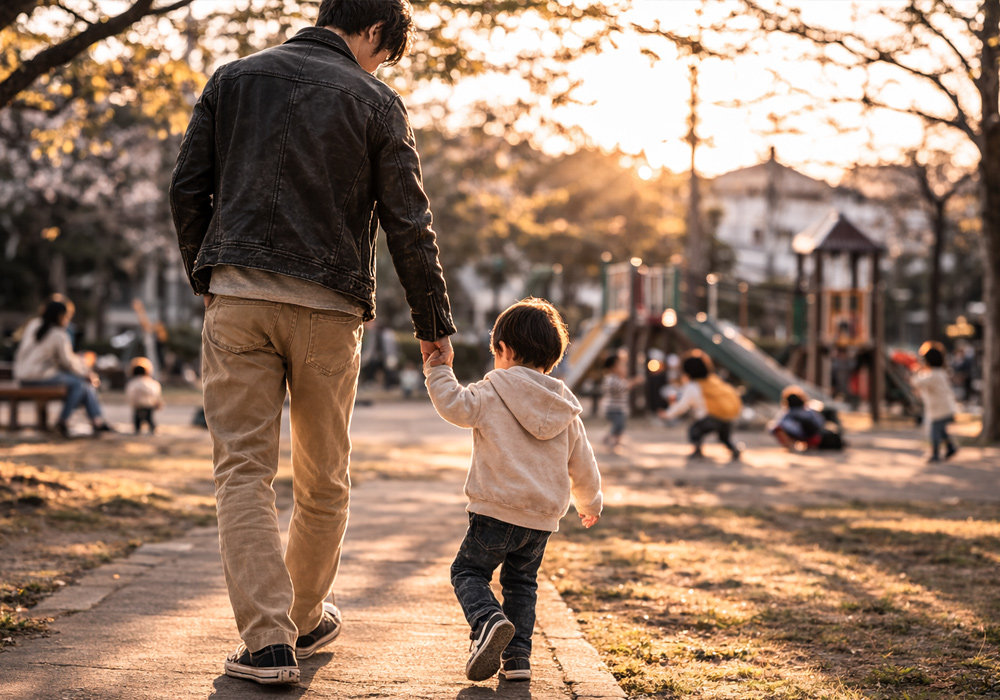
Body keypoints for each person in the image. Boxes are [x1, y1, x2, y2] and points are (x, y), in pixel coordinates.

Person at [169, 0, 456, 686]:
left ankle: (269, 641)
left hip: (237, 299)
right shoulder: (377, 103)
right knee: (324, 477)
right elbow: (408, 223)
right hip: (329, 310)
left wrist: (207, 276)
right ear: (378, 32)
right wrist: (434, 325)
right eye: (384, 54)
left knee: (243, 471)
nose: (379, 65)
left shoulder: (232, 79)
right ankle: (298, 620)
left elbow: (188, 188)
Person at [423, 298, 602, 683]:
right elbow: (582, 463)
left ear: (502, 350)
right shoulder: (564, 406)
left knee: (468, 571)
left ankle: (487, 621)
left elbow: (454, 405)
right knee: (522, 584)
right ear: (551, 358)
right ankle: (518, 659)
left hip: (494, 509)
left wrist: (439, 370)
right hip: (541, 520)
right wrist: (589, 502)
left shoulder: (492, 389)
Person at [13, 299, 114, 438]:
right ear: (60, 316)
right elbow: (67, 362)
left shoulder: (33, 325)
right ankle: (64, 421)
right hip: (40, 376)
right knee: (80, 384)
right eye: (67, 316)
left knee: (83, 385)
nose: (67, 320)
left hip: (22, 374)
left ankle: (97, 420)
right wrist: (86, 373)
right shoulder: (58, 334)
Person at [660, 349, 741, 460]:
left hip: (712, 418)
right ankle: (734, 449)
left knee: (694, 430)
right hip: (729, 417)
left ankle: (697, 450)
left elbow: (682, 405)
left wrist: (667, 414)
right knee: (724, 437)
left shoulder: (694, 386)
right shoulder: (713, 380)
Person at [912, 341, 958, 462]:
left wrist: (917, 370)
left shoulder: (933, 375)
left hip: (939, 410)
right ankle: (950, 447)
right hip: (945, 408)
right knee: (942, 431)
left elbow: (917, 382)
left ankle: (935, 454)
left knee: (934, 432)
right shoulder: (940, 373)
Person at [768, 385, 835, 451]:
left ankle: (791, 444)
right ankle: (809, 445)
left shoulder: (788, 412)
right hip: (813, 436)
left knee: (778, 428)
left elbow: (774, 427)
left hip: (804, 436)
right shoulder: (809, 410)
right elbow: (820, 422)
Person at [600, 349, 642, 450]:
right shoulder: (612, 379)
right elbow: (625, 387)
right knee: (619, 425)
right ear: (613, 368)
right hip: (614, 408)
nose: (624, 368)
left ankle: (609, 439)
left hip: (616, 408)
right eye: (621, 365)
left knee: (617, 425)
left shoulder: (614, 378)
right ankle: (613, 441)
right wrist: (635, 381)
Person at [125, 358, 164, 434]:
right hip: (149, 404)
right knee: (149, 418)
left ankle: (137, 428)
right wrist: (158, 403)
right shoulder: (151, 383)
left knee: (137, 418)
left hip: (137, 405)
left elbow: (130, 395)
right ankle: (152, 428)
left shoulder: (132, 383)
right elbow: (156, 394)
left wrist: (133, 403)